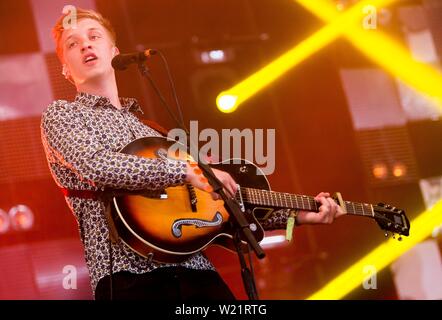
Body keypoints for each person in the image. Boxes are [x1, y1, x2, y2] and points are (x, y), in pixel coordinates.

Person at [40, 8, 344, 300]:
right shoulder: (62, 115)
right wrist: (185, 171)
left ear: (115, 53)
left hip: (198, 273)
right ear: (65, 68)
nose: (85, 45)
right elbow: (96, 166)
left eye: (94, 37)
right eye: (73, 44)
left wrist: (299, 218)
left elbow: (223, 210)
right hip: (129, 279)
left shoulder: (151, 130)